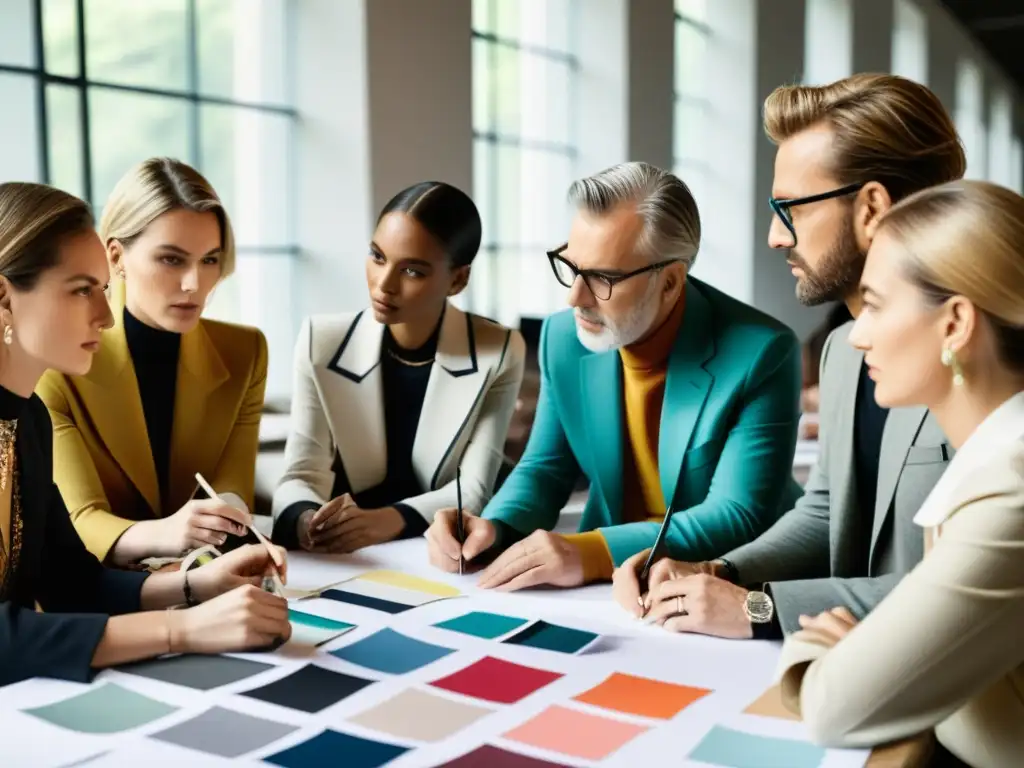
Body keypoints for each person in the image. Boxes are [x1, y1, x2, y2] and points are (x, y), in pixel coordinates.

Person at [611, 74, 966, 640]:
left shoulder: (991, 358)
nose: (776, 238)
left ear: (872, 207)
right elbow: (825, 514)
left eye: (789, 209)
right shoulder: (843, 354)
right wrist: (720, 572)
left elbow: (960, 591)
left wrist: (757, 608)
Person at [426, 161, 803, 590]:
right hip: (609, 584)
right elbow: (545, 469)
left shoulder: (763, 351)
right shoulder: (561, 337)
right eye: (571, 267)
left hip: (725, 581)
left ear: (671, 281)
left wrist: (587, 552)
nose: (575, 297)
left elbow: (737, 515)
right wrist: (494, 528)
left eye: (603, 278)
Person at [0, 181, 290, 686]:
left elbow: (71, 583)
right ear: (4, 297)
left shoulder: (29, 422)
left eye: (103, 289)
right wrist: (181, 630)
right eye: (82, 290)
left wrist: (196, 585)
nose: (107, 314)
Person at [777, 180, 1024, 768]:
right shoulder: (994, 460)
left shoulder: (1009, 490)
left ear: (955, 324)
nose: (858, 333)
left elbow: (836, 709)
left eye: (878, 304)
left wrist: (826, 648)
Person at [271, 181, 525, 552]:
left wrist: (385, 520)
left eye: (412, 271)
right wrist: (307, 520)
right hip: (344, 556)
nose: (383, 284)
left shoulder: (498, 349)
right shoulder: (321, 340)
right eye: (377, 256)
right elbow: (300, 474)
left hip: (434, 550)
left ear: (458, 279)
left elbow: (473, 489)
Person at [36, 158, 267, 566]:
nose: (195, 284)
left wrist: (210, 548)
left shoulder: (245, 352)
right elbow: (80, 520)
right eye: (172, 259)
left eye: (210, 260)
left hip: (198, 574)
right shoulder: (58, 362)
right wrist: (170, 535)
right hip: (94, 591)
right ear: (116, 256)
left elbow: (231, 493)